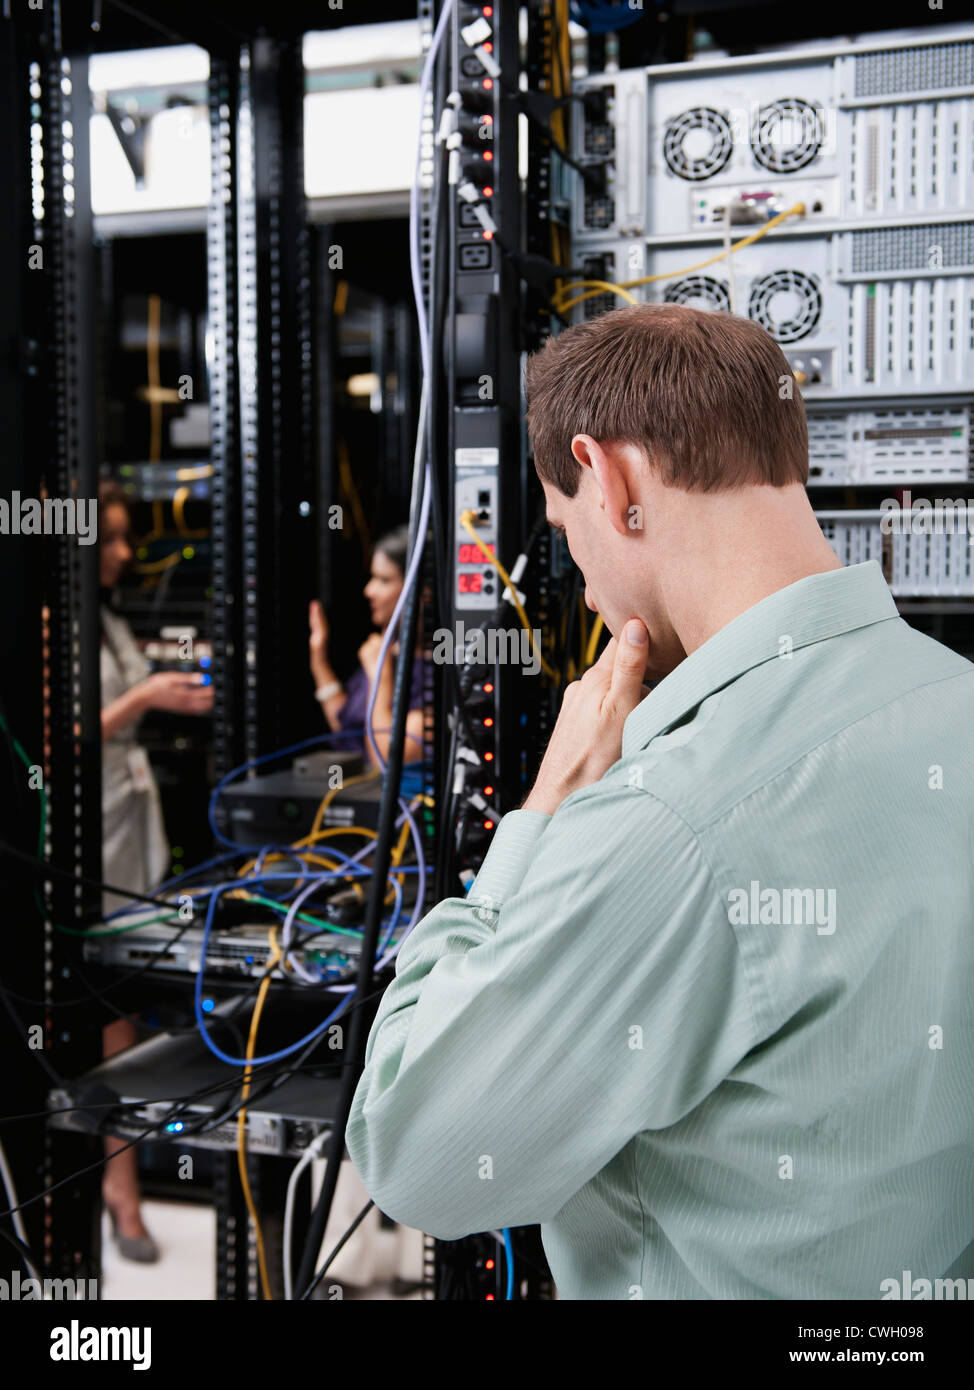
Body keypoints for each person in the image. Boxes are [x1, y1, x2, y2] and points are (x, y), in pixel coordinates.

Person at [344, 303, 974, 1299]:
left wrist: (544, 809)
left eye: (566, 534)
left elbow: (418, 1157)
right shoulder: (953, 701)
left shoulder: (672, 822)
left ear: (613, 479)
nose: (585, 589)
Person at [98, 480, 213, 1261]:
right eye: (109, 538)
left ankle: (122, 1185)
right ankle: (120, 1195)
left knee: (129, 1006)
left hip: (131, 829)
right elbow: (50, 738)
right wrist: (144, 695)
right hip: (90, 833)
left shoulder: (104, 620)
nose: (125, 551)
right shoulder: (46, 618)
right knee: (106, 1014)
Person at [308, 526, 427, 767]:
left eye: (384, 580)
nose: (369, 590)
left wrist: (381, 676)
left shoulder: (440, 673)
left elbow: (385, 758)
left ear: (421, 592)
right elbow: (346, 728)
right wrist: (318, 659)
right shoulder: (389, 651)